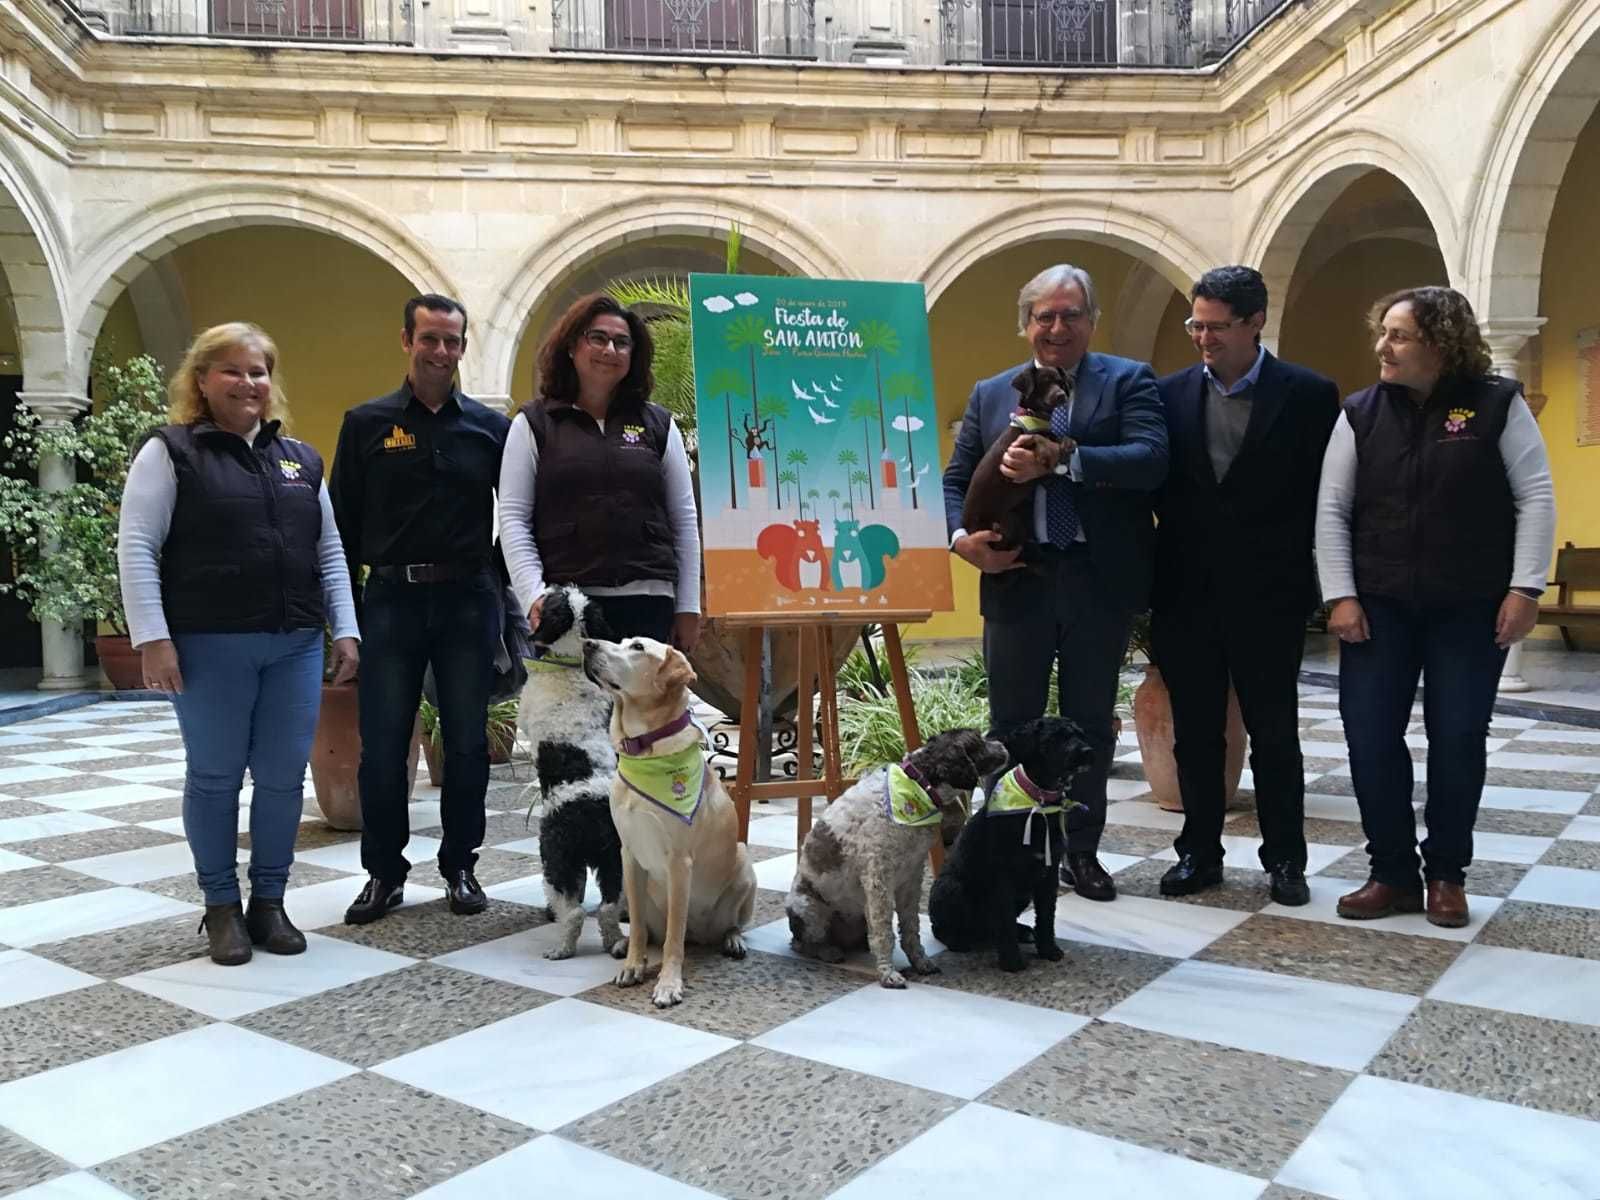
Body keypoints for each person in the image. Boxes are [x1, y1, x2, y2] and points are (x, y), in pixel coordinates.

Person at [117, 322, 360, 965]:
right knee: (217, 775)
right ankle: (221, 906)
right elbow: (137, 546)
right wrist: (153, 638)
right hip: (208, 643)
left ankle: (269, 904)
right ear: (201, 380)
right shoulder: (171, 452)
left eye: (259, 371)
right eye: (232, 369)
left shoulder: (300, 460)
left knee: (282, 779)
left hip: (295, 644)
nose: (249, 382)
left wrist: (347, 627)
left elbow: (328, 550)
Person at [1317, 286, 1556, 928]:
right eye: (1383, 333)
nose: (1382, 348)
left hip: (1469, 607)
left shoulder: (1496, 404)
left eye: (1398, 336)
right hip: (1379, 607)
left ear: (1440, 343)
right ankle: (1390, 872)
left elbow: (1534, 496)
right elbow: (1333, 510)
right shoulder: (1360, 413)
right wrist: (1340, 594)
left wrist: (1525, 587)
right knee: (1369, 738)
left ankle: (1446, 874)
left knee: (1457, 739)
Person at [942, 264, 1169, 902]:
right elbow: (953, 481)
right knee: (1010, 725)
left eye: (1071, 314)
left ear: (1092, 322)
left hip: (1097, 580)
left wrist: (1065, 457)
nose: (1057, 326)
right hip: (1017, 578)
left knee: (1089, 724)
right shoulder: (992, 393)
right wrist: (960, 543)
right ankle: (1006, 850)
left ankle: (1080, 852)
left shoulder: (1128, 381)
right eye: (1044, 315)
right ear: (1026, 325)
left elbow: (1151, 460)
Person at [1150, 266, 1339, 906]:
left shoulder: (1310, 395)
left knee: (1275, 732)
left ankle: (1286, 860)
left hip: (1271, 594)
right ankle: (1199, 854)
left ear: (1256, 322)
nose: (1203, 338)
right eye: (1195, 324)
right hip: (1185, 594)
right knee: (1196, 734)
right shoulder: (1166, 395)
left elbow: (1332, 498)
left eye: (1217, 326)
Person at [330, 294, 511, 925]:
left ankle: (461, 866)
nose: (441, 352)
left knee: (465, 744)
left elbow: (515, 518)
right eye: (430, 338)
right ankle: (384, 873)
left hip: (467, 602)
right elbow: (340, 529)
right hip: (390, 603)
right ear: (406, 340)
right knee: (381, 747)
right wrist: (344, 622)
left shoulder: (492, 430)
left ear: (464, 348)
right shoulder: (366, 424)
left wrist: (499, 583)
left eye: (452, 341)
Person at [499, 293, 701, 648]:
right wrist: (534, 595)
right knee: (570, 705)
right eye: (598, 337)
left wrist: (687, 607)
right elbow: (514, 518)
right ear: (571, 346)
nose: (610, 349)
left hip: (649, 602)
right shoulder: (534, 424)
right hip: (568, 606)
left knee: (642, 706)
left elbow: (683, 519)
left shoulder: (658, 424)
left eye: (622, 342)